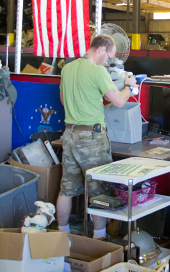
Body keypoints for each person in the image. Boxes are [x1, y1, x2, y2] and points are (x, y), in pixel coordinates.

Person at [56, 34, 137, 239]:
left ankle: (61, 236)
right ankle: (99, 238)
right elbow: (118, 102)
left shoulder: (67, 68)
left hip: (69, 134)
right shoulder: (98, 71)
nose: (108, 61)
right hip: (91, 138)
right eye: (109, 57)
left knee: (66, 189)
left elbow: (64, 101)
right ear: (101, 49)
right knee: (98, 190)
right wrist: (130, 86)